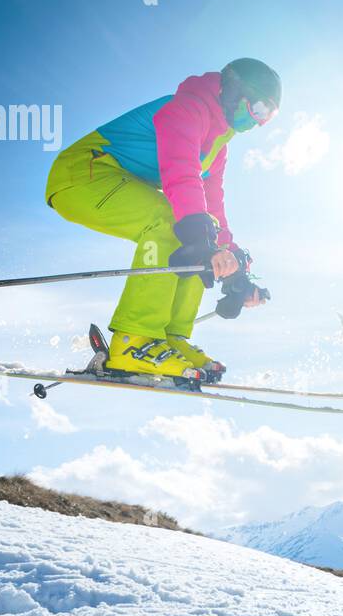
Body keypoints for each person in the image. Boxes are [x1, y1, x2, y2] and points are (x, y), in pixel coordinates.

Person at [44, 58, 280, 379]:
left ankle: (168, 337)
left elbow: (213, 205)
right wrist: (200, 237)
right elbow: (179, 171)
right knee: (176, 223)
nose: (256, 122)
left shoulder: (219, 146)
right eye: (257, 109)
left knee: (202, 230)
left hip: (117, 181)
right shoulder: (187, 109)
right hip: (83, 172)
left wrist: (234, 269)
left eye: (267, 117)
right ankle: (134, 340)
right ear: (234, 91)